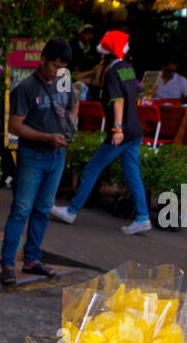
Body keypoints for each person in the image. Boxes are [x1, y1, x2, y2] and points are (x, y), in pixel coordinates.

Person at [49, 30, 152, 235]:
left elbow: (118, 100)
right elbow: (128, 96)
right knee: (132, 175)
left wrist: (117, 129)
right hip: (134, 130)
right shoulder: (127, 68)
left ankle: (71, 211)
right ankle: (142, 217)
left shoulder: (113, 72)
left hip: (122, 132)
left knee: (92, 169)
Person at [0, 37, 77, 287]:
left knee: (43, 209)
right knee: (21, 210)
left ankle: (32, 259)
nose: (58, 72)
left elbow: (74, 105)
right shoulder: (26, 88)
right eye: (55, 66)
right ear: (42, 60)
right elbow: (15, 126)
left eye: (62, 67)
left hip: (57, 156)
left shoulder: (63, 81)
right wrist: (47, 137)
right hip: (32, 155)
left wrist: (70, 126)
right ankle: (8, 264)